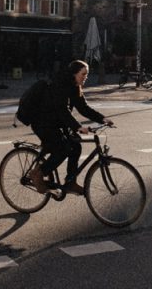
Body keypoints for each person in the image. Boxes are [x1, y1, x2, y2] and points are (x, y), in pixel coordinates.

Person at [29, 59, 114, 195]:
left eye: (87, 75)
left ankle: (70, 182)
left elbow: (83, 108)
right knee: (63, 149)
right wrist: (78, 127)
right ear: (74, 74)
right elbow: (62, 110)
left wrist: (102, 118)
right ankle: (38, 173)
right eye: (83, 74)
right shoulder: (60, 84)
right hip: (43, 122)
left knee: (76, 146)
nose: (85, 77)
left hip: (57, 123)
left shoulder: (75, 86)